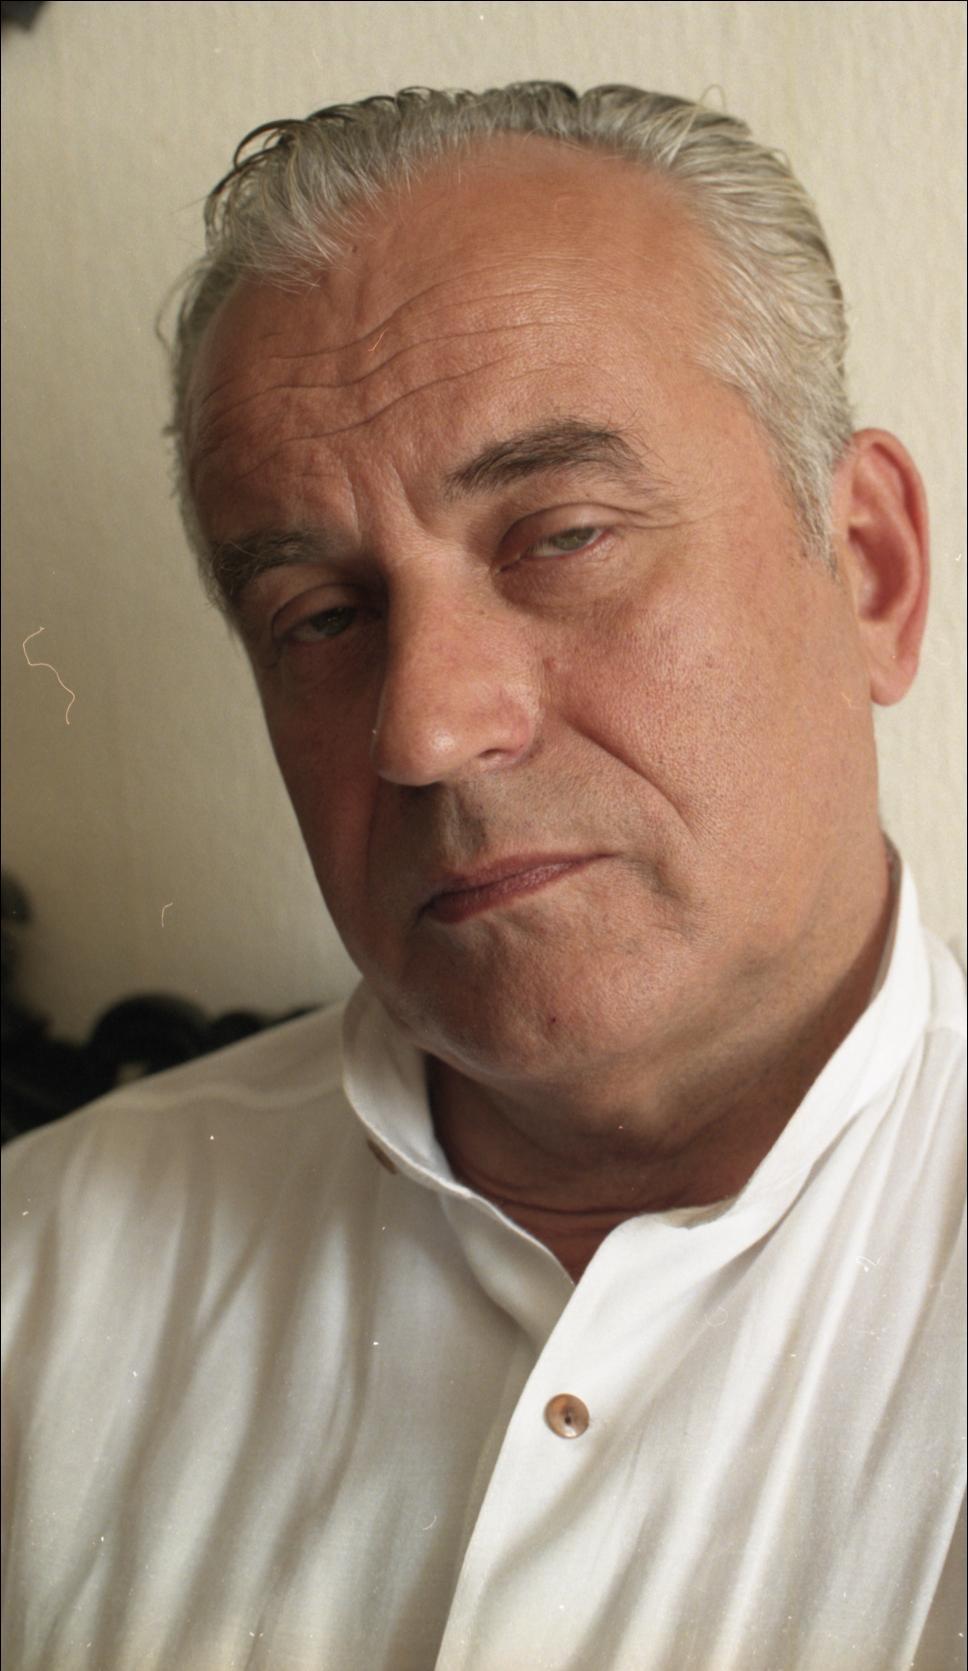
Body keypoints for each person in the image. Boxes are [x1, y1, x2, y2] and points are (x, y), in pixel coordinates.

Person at [2, 83, 964, 1671]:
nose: (426, 728)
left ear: (869, 567)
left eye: (561, 535)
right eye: (319, 616)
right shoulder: (40, 1279)